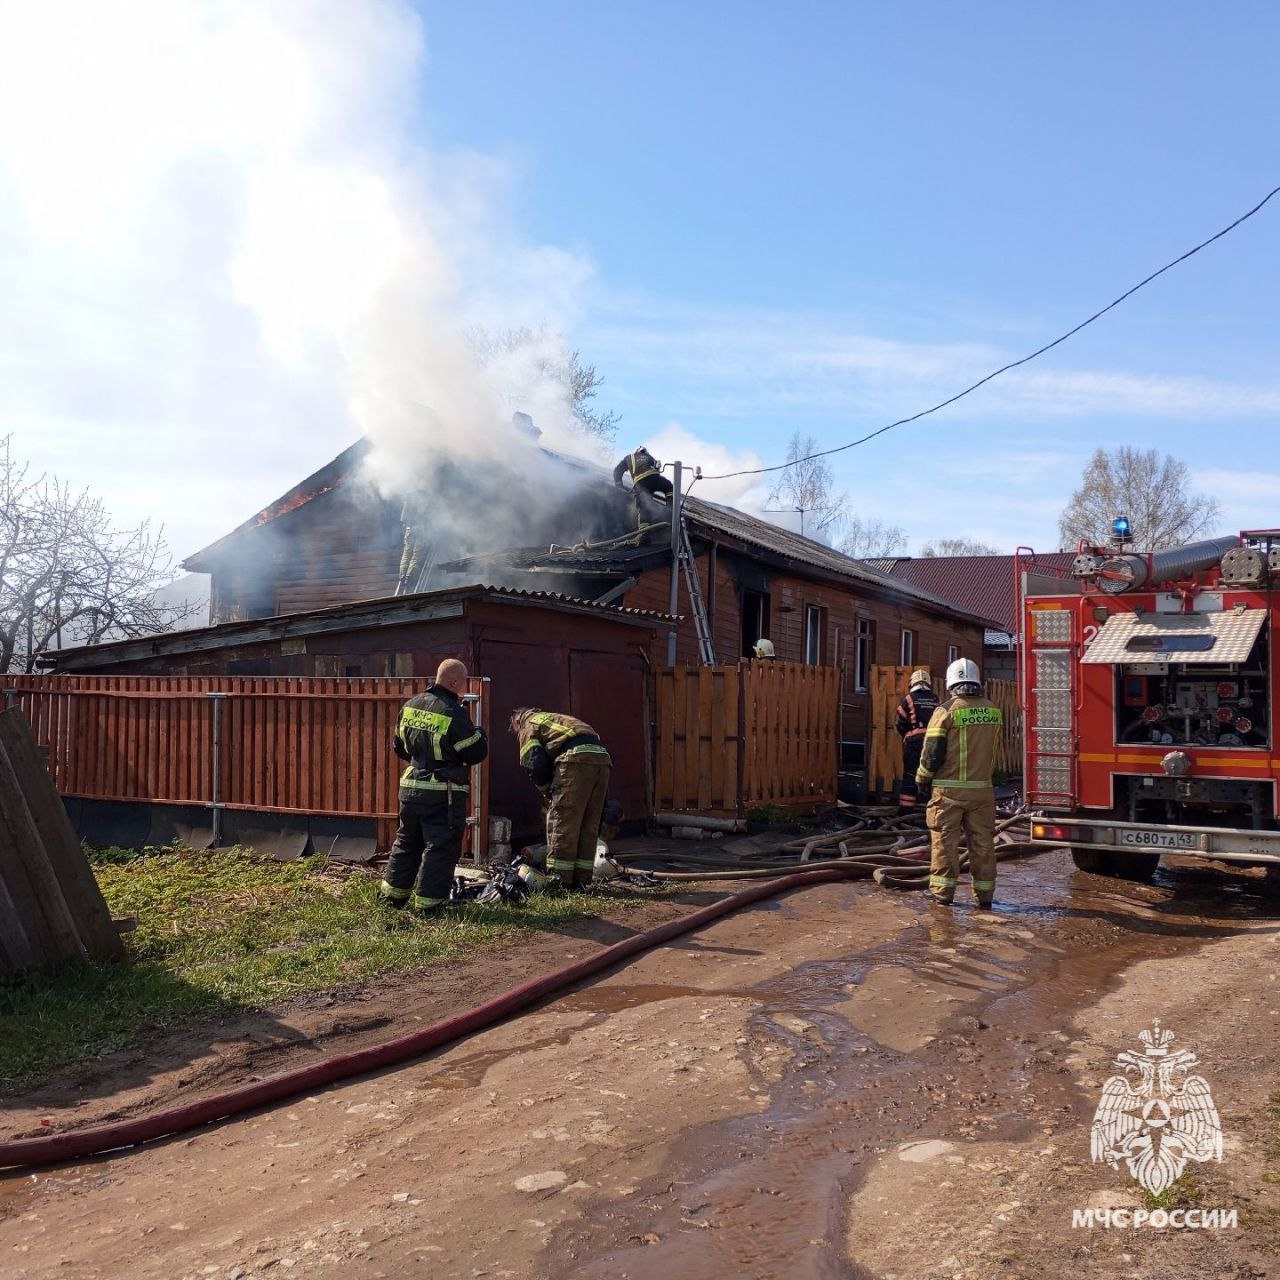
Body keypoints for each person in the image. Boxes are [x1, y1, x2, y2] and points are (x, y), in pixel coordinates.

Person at [379, 659, 488, 915]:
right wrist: (480, 734)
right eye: (462, 683)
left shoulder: (410, 705)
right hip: (442, 793)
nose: (463, 688)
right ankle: (430, 906)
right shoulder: (453, 712)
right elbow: (475, 753)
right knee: (441, 846)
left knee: (407, 842)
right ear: (453, 682)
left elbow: (399, 747)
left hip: (410, 787)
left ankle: (391, 898)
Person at [915, 657, 1003, 909]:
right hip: (982, 792)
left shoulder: (946, 711)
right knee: (983, 844)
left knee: (944, 842)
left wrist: (922, 779)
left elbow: (931, 752)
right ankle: (985, 896)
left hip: (948, 791)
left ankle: (943, 894)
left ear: (952, 682)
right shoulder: (993, 710)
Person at [510, 707, 612, 889]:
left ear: (517, 722)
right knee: (588, 824)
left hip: (575, 759)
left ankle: (560, 881)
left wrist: (549, 791)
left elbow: (534, 763)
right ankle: (581, 881)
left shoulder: (528, 724)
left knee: (563, 822)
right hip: (602, 759)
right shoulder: (554, 719)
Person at [894, 668, 938, 810]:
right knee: (932, 776)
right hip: (933, 743)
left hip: (913, 744)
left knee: (909, 776)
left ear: (912, 683)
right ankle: (931, 810)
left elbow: (900, 722)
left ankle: (906, 814)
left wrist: (907, 735)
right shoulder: (936, 699)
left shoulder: (908, 699)